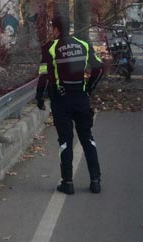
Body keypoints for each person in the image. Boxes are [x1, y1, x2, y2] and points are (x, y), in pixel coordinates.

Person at [36, 15, 104, 195]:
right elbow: (99, 68)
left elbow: (44, 75)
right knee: (87, 138)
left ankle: (68, 183)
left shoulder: (50, 48)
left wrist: (39, 97)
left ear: (56, 29)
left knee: (65, 141)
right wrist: (89, 88)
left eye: (52, 28)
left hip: (61, 100)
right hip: (81, 99)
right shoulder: (83, 45)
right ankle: (95, 181)